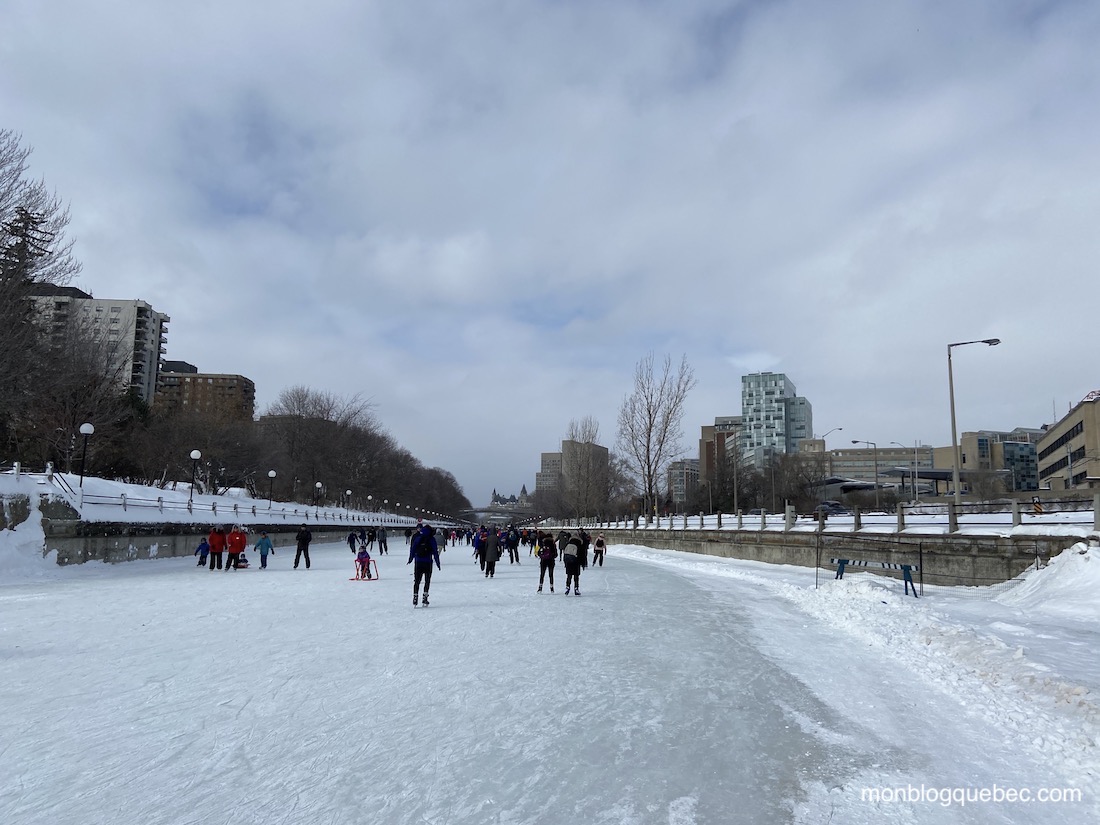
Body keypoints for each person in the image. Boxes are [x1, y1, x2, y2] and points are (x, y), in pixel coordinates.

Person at [407, 523, 440, 606]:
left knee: (417, 581)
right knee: (427, 581)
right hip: (428, 562)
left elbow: (413, 549)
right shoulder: (431, 539)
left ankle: (415, 597)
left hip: (418, 562)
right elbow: (435, 552)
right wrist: (438, 563)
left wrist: (410, 559)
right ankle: (425, 597)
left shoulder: (418, 538)